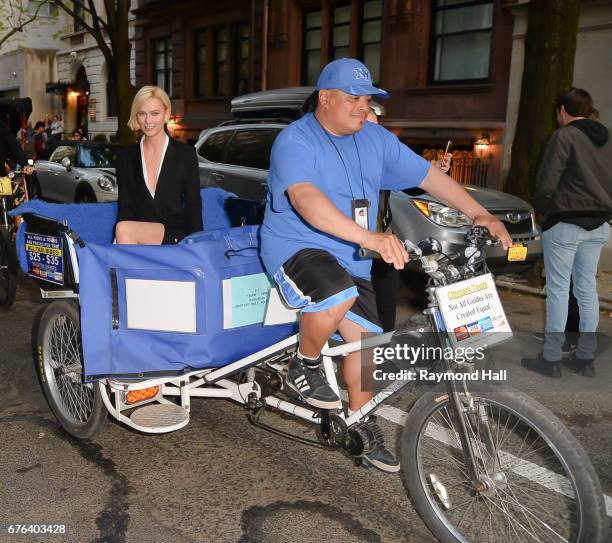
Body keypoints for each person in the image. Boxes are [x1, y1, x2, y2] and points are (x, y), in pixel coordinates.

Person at [260, 58, 512, 472]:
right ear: (325, 98)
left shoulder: (375, 138)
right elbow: (306, 199)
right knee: (334, 292)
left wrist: (478, 212)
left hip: (352, 257)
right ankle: (302, 363)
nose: (364, 107)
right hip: (296, 246)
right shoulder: (295, 140)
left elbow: (430, 176)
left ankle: (360, 425)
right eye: (354, 98)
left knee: (367, 349)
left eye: (369, 99)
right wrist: (370, 238)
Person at [522, 88, 612, 378]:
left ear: (562, 110)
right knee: (587, 290)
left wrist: (548, 212)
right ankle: (585, 358)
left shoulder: (564, 136)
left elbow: (547, 181)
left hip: (565, 222)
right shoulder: (607, 138)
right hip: (599, 223)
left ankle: (551, 358)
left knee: (559, 291)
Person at [368, 108, 452, 332]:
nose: (375, 133)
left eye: (377, 127)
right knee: (356, 312)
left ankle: (379, 354)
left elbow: (412, 182)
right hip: (350, 246)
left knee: (385, 302)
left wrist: (435, 173)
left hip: (381, 245)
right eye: (368, 127)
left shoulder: (382, 160)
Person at [115, 85, 202, 245]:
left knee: (123, 230)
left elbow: (193, 206)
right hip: (135, 238)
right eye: (142, 114)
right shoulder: (124, 158)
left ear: (166, 114)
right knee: (122, 230)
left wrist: (197, 249)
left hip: (174, 235)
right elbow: (125, 207)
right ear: (136, 116)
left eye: (155, 113)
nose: (148, 121)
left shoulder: (185, 155)